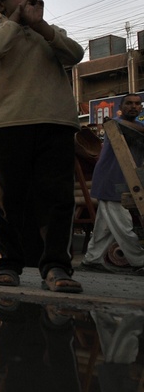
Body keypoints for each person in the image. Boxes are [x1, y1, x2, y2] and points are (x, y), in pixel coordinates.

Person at [0, 0, 85, 293]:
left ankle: (56, 266)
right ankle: (8, 264)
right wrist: (16, 20)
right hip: (11, 124)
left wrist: (39, 24)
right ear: (1, 4)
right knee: (8, 198)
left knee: (57, 197)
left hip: (56, 122)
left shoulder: (51, 33)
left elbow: (76, 55)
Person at [81, 93, 144, 273]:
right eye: (129, 103)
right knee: (123, 225)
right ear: (121, 107)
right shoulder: (113, 123)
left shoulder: (137, 127)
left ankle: (91, 259)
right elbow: (118, 125)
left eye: (137, 104)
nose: (133, 106)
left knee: (105, 227)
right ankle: (140, 260)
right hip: (111, 181)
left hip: (126, 182)